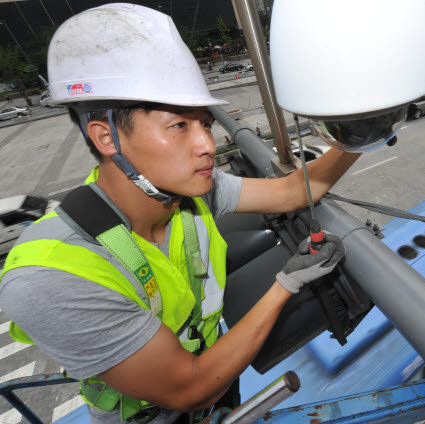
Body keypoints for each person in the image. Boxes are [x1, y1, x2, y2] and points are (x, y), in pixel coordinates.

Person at [0, 4, 357, 424]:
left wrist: (360, 134)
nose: (207, 143)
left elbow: (294, 190)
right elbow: (186, 386)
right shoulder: (50, 277)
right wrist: (285, 285)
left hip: (220, 390)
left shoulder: (189, 192)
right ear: (106, 136)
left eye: (204, 123)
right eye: (179, 126)